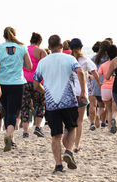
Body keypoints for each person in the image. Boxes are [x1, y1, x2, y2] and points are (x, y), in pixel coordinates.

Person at [33, 35, 87, 173]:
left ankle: (58, 165)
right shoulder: (69, 58)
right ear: (62, 46)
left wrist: (46, 92)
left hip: (52, 104)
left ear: (49, 47)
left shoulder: (42, 62)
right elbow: (80, 72)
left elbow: (35, 84)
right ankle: (69, 150)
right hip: (69, 101)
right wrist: (83, 92)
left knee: (55, 136)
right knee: (72, 127)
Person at [0, 27, 32, 151]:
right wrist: (19, 62)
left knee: (7, 110)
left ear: (4, 36)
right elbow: (29, 66)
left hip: (1, 83)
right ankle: (9, 136)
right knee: (14, 112)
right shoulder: (22, 48)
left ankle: (11, 139)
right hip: (17, 83)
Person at [70, 38, 99, 151]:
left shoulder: (68, 60)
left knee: (70, 121)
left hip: (69, 93)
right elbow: (95, 73)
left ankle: (68, 144)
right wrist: (100, 84)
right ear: (81, 48)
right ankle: (76, 145)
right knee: (80, 121)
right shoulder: (86, 60)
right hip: (82, 93)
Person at [21, 32, 48, 138]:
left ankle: (25, 131)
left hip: (24, 81)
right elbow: (46, 67)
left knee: (25, 106)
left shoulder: (24, 50)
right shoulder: (41, 51)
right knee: (41, 104)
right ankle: (37, 127)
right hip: (37, 81)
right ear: (39, 41)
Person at [98, 45, 117, 133]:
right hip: (115, 88)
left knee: (109, 110)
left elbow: (98, 77)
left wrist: (100, 84)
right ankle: (114, 120)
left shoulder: (103, 65)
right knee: (116, 110)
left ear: (107, 54)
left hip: (105, 89)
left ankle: (110, 127)